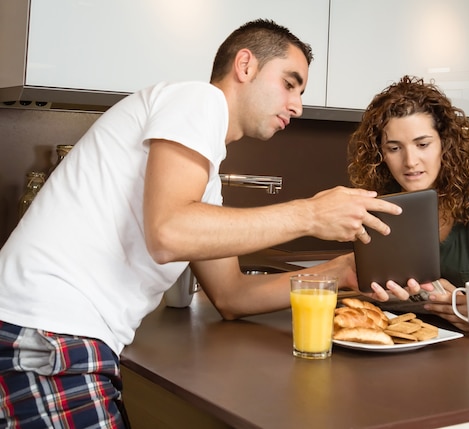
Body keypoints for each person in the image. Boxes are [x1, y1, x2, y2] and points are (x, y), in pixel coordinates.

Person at [0, 21, 423, 428]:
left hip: (57, 338)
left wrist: (340, 273)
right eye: (290, 83)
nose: (297, 104)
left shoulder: (203, 181)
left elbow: (232, 295)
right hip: (47, 333)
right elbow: (168, 234)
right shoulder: (196, 100)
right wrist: (310, 213)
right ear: (245, 66)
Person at [346, 75, 469, 333]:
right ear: (381, 154)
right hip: (426, 345)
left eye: (422, 144)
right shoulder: (383, 206)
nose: (410, 161)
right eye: (395, 148)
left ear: (445, 143)